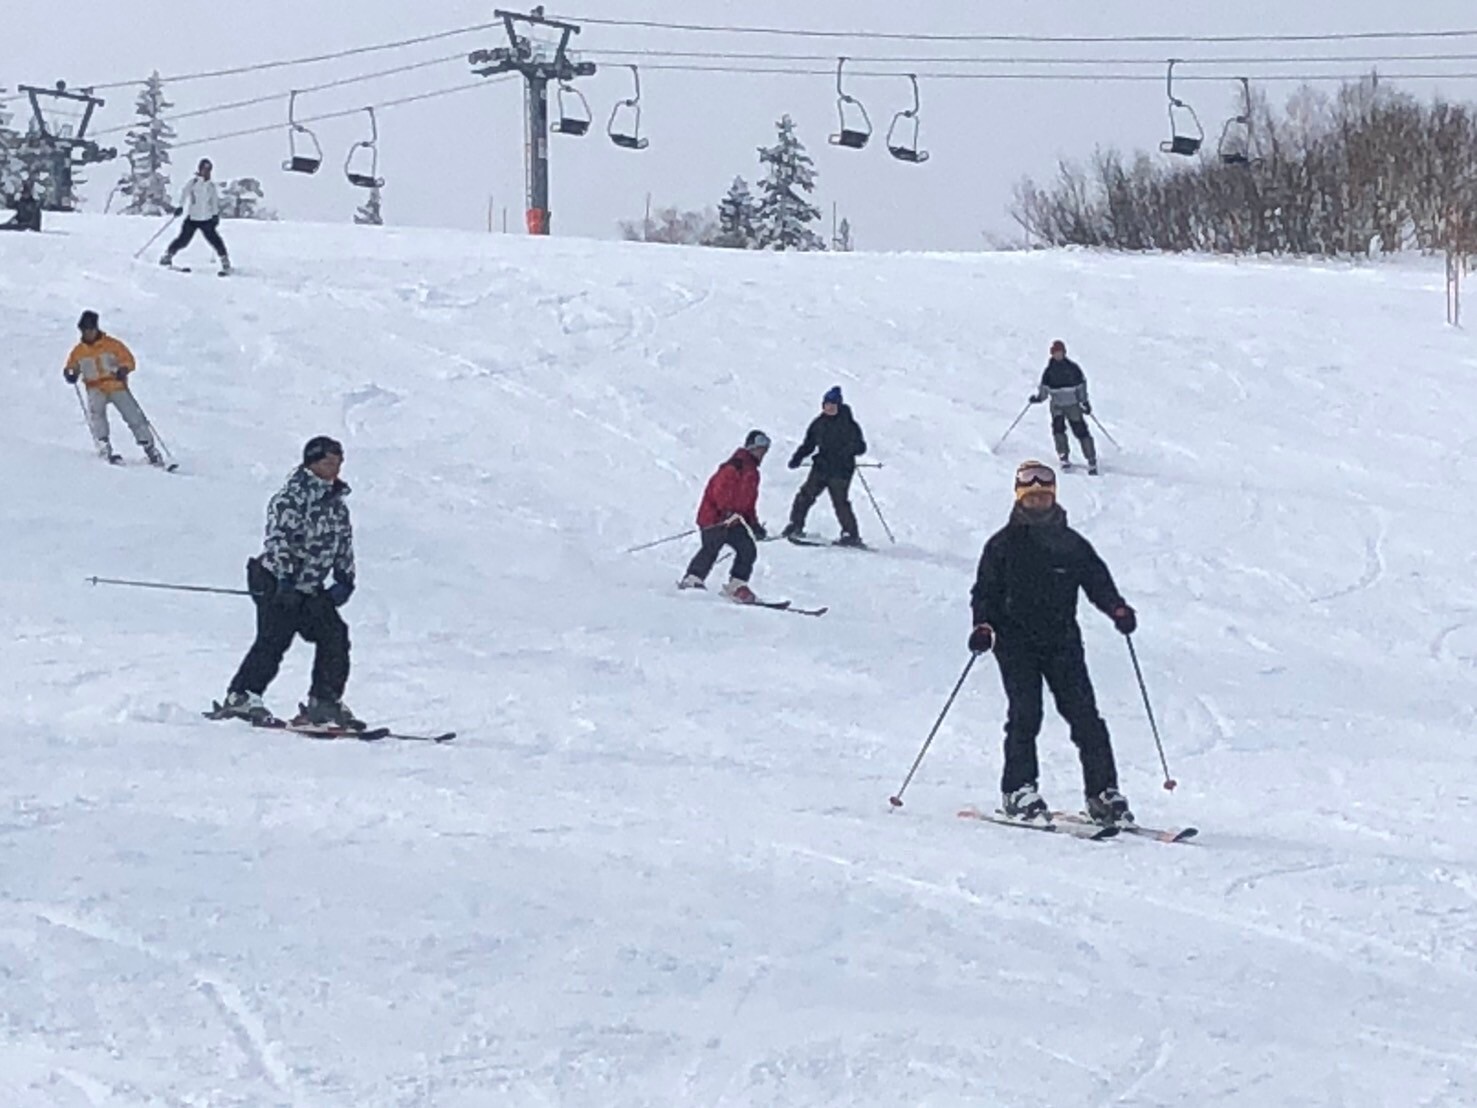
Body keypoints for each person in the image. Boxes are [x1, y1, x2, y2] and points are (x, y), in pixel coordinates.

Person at [968, 460, 1138, 826]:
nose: (1038, 503)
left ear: (1053, 498)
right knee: (1026, 713)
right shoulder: (1002, 545)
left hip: (1062, 641)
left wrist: (1117, 609)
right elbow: (984, 592)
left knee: (1085, 717)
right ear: (1019, 499)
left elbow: (1097, 581)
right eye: (1031, 498)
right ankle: (1018, 790)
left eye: (1044, 497)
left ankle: (1103, 793)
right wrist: (982, 625)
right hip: (1015, 642)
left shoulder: (1071, 545)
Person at [217, 436, 360, 728]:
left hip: (309, 586)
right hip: (276, 581)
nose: (334, 469)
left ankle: (324, 700)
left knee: (334, 634)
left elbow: (343, 542)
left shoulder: (337, 504)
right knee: (274, 638)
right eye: (328, 463)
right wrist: (285, 579)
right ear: (311, 463)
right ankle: (242, 695)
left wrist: (345, 577)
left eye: (338, 463)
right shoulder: (291, 498)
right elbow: (279, 540)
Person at [678, 430, 771, 603]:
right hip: (714, 518)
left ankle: (736, 585)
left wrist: (754, 524)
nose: (762, 453)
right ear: (751, 447)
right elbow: (719, 491)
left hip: (733, 520)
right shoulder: (733, 467)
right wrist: (726, 511)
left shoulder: (753, 474)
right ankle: (692, 578)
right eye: (759, 449)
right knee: (712, 545)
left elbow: (749, 503)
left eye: (764, 450)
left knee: (748, 548)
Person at [62, 310, 165, 466]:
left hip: (116, 385)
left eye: (89, 329)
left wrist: (124, 369)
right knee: (97, 416)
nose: (87, 333)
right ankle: (104, 446)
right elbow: (72, 366)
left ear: (96, 328)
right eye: (84, 330)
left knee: (133, 416)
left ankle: (150, 448)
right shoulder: (78, 351)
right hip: (94, 388)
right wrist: (70, 373)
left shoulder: (112, 345)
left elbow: (128, 360)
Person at [782, 385, 868, 546]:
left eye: (832, 405)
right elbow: (809, 444)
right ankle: (795, 525)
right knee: (805, 495)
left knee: (840, 502)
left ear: (839, 405)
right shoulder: (818, 423)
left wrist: (846, 452)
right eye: (826, 405)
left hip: (841, 471)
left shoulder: (849, 424)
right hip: (821, 467)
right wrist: (797, 458)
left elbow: (861, 447)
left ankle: (851, 535)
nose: (829, 408)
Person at [1029, 339, 1098, 475]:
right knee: (1058, 430)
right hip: (1057, 406)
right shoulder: (1049, 372)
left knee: (1081, 431)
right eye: (1056, 353)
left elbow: (1081, 386)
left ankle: (1091, 459)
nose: (1058, 355)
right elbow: (1045, 389)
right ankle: (1063, 456)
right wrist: (1039, 398)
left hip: (1073, 405)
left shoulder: (1073, 369)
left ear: (1064, 353)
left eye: (1060, 352)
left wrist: (1084, 402)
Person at [160, 158, 230, 274]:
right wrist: (180, 207)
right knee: (183, 240)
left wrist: (215, 215)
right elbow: (184, 194)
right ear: (200, 170)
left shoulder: (211, 186)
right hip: (192, 218)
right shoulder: (193, 183)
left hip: (206, 219)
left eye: (208, 170)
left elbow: (214, 202)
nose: (206, 172)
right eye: (204, 169)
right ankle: (168, 255)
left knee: (215, 240)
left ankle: (225, 260)